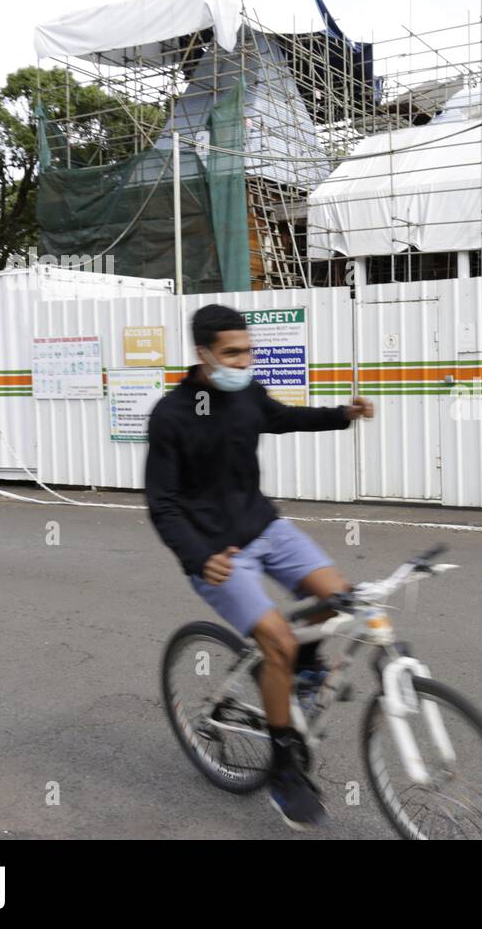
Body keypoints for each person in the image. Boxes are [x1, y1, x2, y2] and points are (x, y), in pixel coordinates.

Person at [144, 304, 373, 830]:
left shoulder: (246, 392)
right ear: (202, 354)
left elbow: (282, 418)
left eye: (248, 350)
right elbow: (162, 503)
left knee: (339, 597)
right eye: (232, 353)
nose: (245, 360)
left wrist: (341, 414)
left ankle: (304, 668)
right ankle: (284, 768)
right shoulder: (172, 415)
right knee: (278, 641)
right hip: (217, 555)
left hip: (265, 527)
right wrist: (198, 557)